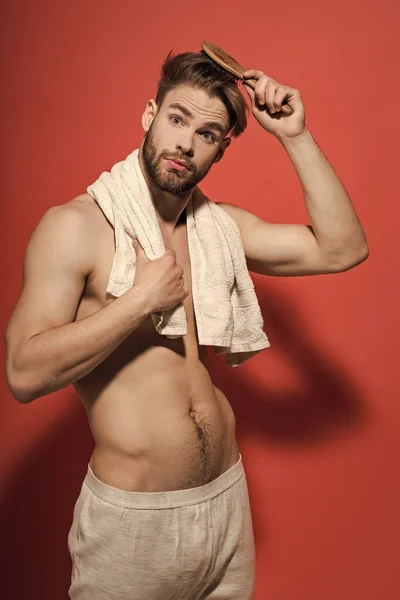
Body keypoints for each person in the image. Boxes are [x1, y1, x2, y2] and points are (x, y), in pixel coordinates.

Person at [5, 50, 369, 599]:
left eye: (207, 133)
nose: (185, 143)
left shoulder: (218, 229)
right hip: (134, 527)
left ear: (221, 149)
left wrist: (294, 135)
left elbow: (343, 248)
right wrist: (136, 301)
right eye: (177, 119)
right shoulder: (76, 227)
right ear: (149, 115)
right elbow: (23, 374)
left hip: (225, 503)